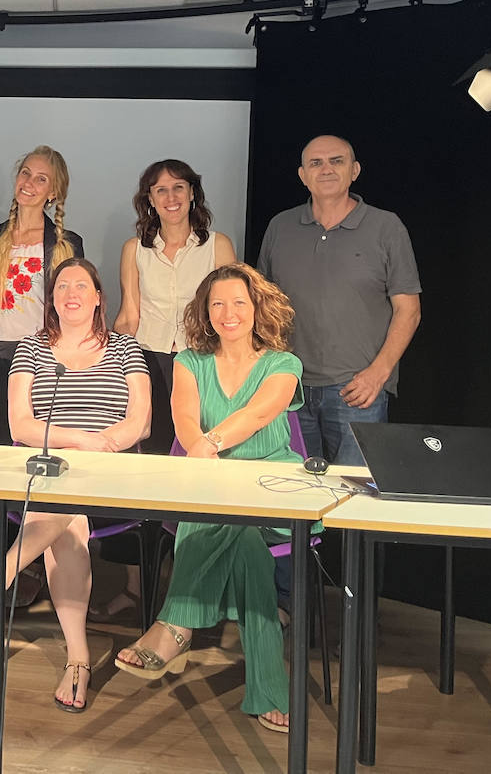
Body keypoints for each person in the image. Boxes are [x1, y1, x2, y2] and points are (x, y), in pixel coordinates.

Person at [115, 262, 304, 735]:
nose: (228, 312)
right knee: (245, 545)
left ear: (257, 307)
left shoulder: (284, 363)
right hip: (215, 483)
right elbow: (183, 417)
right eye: (217, 303)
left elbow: (261, 413)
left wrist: (208, 447)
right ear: (205, 310)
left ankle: (176, 625)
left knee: (218, 514)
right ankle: (269, 688)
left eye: (239, 301)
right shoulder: (189, 361)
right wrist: (200, 449)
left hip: (271, 485)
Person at [0, 259, 151, 713]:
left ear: (99, 296)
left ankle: (1, 574)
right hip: (45, 465)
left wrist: (100, 448)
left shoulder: (126, 348)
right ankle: (79, 660)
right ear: (52, 299)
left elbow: (140, 423)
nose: (71, 292)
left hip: (110, 470)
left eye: (81, 285)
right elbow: (21, 424)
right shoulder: (30, 348)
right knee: (67, 523)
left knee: (60, 509)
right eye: (61, 285)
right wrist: (81, 441)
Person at [257, 135, 422, 465]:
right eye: (315, 163)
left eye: (337, 161)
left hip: (359, 390)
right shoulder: (280, 226)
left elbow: (409, 310)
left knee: (353, 498)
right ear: (303, 175)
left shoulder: (386, 227)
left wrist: (379, 373)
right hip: (289, 386)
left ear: (355, 170)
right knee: (291, 494)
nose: (326, 169)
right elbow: (263, 307)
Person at [115, 159, 236, 456]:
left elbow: (231, 313)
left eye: (179, 188)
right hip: (148, 359)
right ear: (150, 200)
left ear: (192, 193)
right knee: (155, 447)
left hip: (203, 359)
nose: (171, 198)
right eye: (161, 190)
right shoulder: (134, 249)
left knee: (200, 445)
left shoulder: (218, 245)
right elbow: (130, 314)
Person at [0, 146, 83, 446]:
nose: (29, 183)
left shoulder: (67, 244)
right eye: (25, 173)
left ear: (53, 193)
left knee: (32, 445)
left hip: (41, 361)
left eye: (41, 179)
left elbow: (76, 312)